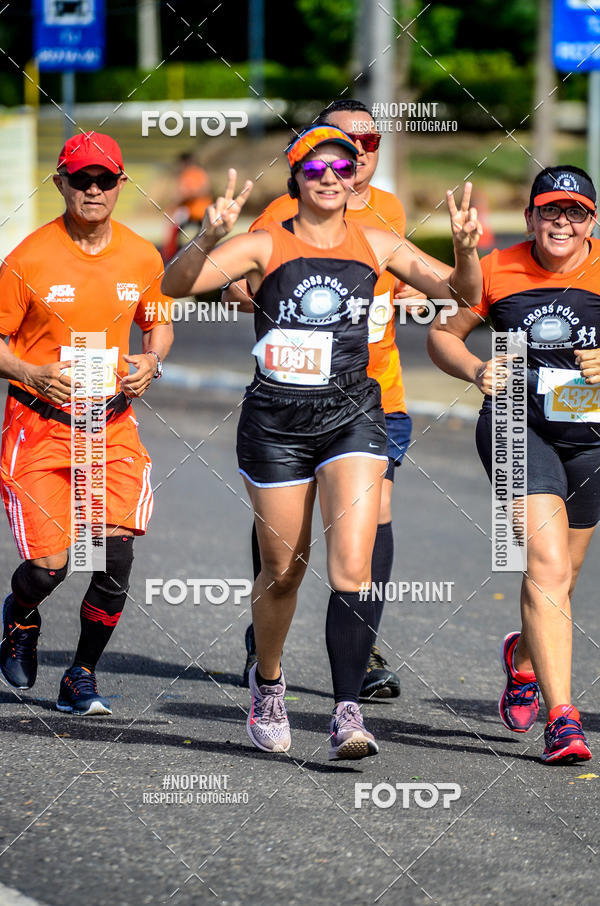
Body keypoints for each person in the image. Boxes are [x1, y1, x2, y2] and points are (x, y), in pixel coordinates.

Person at [163, 125, 482, 759]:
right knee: (283, 572)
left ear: (355, 175)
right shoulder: (264, 243)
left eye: (342, 165)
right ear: (296, 177)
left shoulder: (377, 242)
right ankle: (269, 683)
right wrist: (208, 237)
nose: (331, 176)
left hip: (352, 418)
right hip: (276, 426)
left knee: (352, 569)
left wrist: (466, 251)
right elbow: (175, 285)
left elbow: (463, 294)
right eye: (316, 167)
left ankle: (346, 711)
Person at [226, 99, 420, 699]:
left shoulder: (388, 211)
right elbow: (238, 282)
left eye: (369, 142)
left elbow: (412, 278)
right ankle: (267, 631)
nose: (356, 155)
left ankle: (363, 650)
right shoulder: (284, 212)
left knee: (374, 520)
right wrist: (261, 296)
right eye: (343, 142)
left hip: (373, 394)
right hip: (290, 400)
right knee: (284, 544)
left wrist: (411, 294)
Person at [427, 165, 599, 764]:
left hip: (591, 434)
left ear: (591, 222)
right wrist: (476, 369)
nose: (561, 222)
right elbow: (443, 335)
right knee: (546, 563)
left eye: (575, 212)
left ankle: (524, 659)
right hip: (514, 424)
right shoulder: (497, 268)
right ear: (530, 218)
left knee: (564, 576)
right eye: (550, 210)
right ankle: (563, 718)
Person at [0, 132, 173, 715]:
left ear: (121, 184)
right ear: (61, 184)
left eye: (105, 179)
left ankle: (80, 675)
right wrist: (30, 370)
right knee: (51, 566)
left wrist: (152, 360)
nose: (93, 190)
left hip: (109, 426)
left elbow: (158, 323)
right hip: (39, 425)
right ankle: (20, 616)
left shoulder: (142, 255)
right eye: (81, 179)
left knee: (112, 557)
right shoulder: (28, 259)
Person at [162, 152, 212, 262]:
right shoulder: (187, 174)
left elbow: (201, 191)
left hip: (198, 211)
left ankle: (171, 254)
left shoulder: (196, 174)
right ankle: (172, 253)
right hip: (191, 210)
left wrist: (186, 195)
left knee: (174, 225)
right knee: (173, 223)